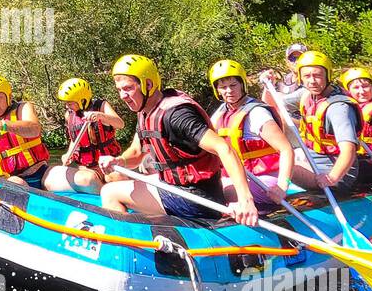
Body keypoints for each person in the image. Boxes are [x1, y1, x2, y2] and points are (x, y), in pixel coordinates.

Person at [97, 54, 258, 225]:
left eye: (128, 88)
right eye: (119, 90)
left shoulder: (177, 116)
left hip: (195, 198)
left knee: (109, 192)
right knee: (115, 176)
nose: (122, 96)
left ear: (148, 85)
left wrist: (245, 200)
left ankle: (131, 246)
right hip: (175, 187)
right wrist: (119, 160)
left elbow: (223, 148)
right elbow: (137, 153)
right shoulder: (145, 112)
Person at [266, 50, 362, 197]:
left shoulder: (338, 108)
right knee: (271, 158)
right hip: (313, 158)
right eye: (307, 76)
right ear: (300, 78)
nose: (312, 81)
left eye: (317, 75)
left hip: (335, 172)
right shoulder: (307, 93)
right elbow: (272, 106)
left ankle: (279, 192)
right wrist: (268, 87)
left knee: (278, 164)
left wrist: (332, 178)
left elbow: (349, 150)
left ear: (327, 75)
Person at [208, 59, 294, 209]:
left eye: (233, 85)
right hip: (238, 177)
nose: (229, 91)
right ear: (217, 90)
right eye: (223, 87)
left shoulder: (257, 113)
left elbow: (286, 149)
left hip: (265, 179)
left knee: (215, 194)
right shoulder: (221, 112)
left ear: (242, 84)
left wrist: (282, 186)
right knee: (205, 188)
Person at [43, 77, 125, 194]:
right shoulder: (69, 115)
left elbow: (120, 124)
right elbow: (74, 140)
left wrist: (101, 116)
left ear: (82, 100)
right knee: (87, 180)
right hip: (86, 166)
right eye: (66, 103)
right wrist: (68, 154)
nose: (67, 106)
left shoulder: (101, 106)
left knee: (114, 177)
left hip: (109, 163)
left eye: (70, 103)